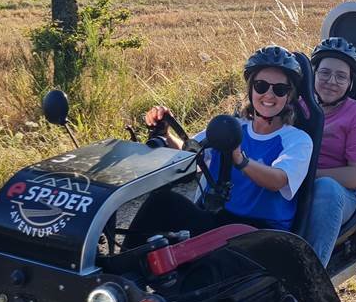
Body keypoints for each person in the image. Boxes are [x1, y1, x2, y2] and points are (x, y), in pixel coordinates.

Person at [124, 45, 314, 245]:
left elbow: (279, 181)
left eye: (279, 89)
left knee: (204, 271)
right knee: (162, 202)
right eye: (261, 86)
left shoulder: (297, 140)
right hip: (220, 224)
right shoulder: (232, 127)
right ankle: (118, 271)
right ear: (251, 89)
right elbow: (191, 155)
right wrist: (166, 133)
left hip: (261, 235)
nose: (269, 95)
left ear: (289, 95)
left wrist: (240, 160)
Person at [303, 37, 356, 266]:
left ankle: (312, 278)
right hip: (291, 184)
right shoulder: (295, 105)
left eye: (341, 76)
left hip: (340, 195)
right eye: (325, 73)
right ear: (313, 74)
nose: (331, 81)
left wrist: (306, 176)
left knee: (325, 189)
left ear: (350, 84)